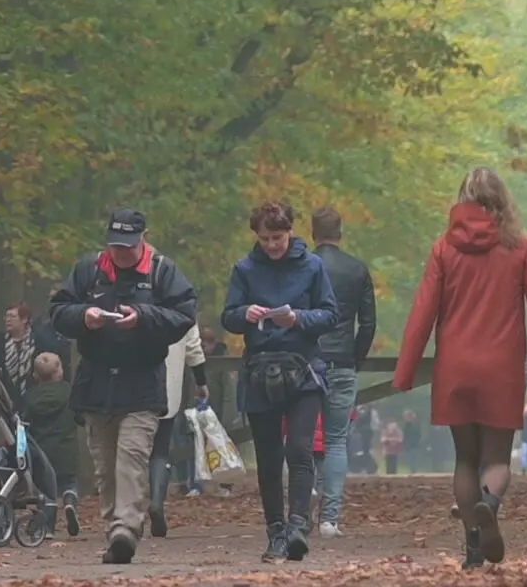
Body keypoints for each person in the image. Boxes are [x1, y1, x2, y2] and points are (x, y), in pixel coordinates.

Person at [393, 167, 527, 569]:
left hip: (455, 367)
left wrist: (405, 371)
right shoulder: (522, 247)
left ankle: (473, 548)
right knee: (496, 459)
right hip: (502, 367)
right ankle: (489, 503)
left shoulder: (445, 249)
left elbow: (423, 313)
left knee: (465, 459)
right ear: (503, 201)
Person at [49, 208, 198, 565]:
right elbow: (58, 311)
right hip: (96, 383)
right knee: (105, 464)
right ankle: (114, 526)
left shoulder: (162, 271)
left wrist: (144, 317)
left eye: (128, 246)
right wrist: (84, 316)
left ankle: (126, 529)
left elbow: (184, 315)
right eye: (115, 245)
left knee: (132, 458)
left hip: (142, 382)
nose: (121, 253)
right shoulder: (89, 270)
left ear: (142, 239)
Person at [221, 201, 338, 563]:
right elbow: (228, 316)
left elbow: (331, 313)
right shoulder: (245, 269)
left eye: (278, 237)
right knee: (269, 458)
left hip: (303, 369)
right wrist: (246, 313)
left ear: (290, 232)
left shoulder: (313, 266)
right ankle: (275, 532)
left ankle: (298, 526)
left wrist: (299, 319)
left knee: (300, 451)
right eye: (265, 238)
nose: (272, 244)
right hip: (260, 369)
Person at [309, 206, 375, 539]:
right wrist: (355, 357)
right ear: (341, 231)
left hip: (308, 362)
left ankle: (302, 504)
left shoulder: (302, 267)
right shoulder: (357, 270)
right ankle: (329, 519)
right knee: (336, 442)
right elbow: (368, 323)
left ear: (312, 232)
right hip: (342, 362)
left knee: (302, 437)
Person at [150, 323, 208, 537]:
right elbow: (193, 348)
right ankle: (157, 501)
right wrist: (201, 381)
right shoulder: (180, 304)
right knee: (160, 450)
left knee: (132, 451)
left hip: (131, 389)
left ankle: (130, 512)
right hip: (167, 389)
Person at [25, 353, 80, 536]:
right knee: (69, 483)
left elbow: (25, 421)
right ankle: (70, 501)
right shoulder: (69, 392)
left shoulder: (30, 397)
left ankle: (47, 528)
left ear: (35, 376)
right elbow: (78, 416)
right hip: (66, 448)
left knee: (47, 491)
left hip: (43, 451)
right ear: (60, 373)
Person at [0, 302, 68, 407]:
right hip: (2, 400)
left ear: (24, 319)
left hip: (34, 401)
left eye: (12, 316)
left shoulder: (41, 342)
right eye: (7, 316)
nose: (8, 320)